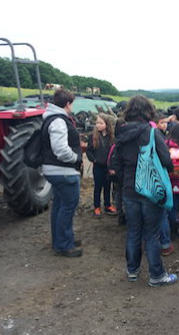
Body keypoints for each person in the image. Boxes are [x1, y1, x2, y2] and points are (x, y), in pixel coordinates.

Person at [113, 95, 178, 287]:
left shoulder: (121, 133)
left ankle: (132, 271)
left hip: (129, 190)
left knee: (133, 231)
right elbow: (166, 160)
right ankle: (156, 276)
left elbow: (115, 163)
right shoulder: (152, 133)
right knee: (151, 234)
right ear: (148, 111)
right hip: (150, 190)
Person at [41, 89, 83, 257]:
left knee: (59, 205)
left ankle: (61, 239)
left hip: (54, 170)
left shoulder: (51, 118)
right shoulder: (59, 121)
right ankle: (64, 245)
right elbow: (60, 150)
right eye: (71, 104)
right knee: (68, 207)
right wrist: (75, 158)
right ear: (67, 104)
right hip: (63, 171)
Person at [86, 113, 117, 217]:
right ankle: (97, 207)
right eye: (97, 123)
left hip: (108, 166)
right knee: (98, 187)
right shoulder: (92, 136)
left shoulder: (111, 137)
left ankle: (107, 205)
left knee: (108, 186)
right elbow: (89, 151)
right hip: (98, 166)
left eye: (101, 123)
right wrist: (94, 159)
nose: (98, 125)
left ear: (107, 124)